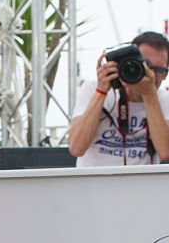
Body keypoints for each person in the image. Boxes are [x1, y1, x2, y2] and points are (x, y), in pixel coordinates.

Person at [69, 31, 169, 166]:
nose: (151, 74)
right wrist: (101, 92)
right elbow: (76, 148)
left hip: (142, 184)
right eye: (146, 66)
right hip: (93, 183)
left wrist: (149, 95)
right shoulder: (93, 88)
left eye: (160, 70)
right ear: (130, 62)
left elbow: (165, 152)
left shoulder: (164, 99)